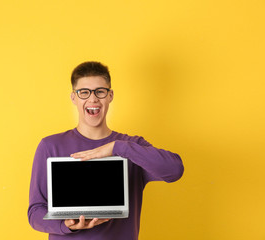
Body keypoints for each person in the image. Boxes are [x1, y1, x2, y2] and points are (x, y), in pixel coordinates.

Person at [28, 61, 184, 240]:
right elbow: (35, 212)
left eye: (100, 92)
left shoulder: (131, 145)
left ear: (110, 96)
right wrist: (65, 225)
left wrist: (117, 147)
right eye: (84, 92)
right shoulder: (50, 146)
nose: (93, 99)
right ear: (74, 98)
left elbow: (175, 170)